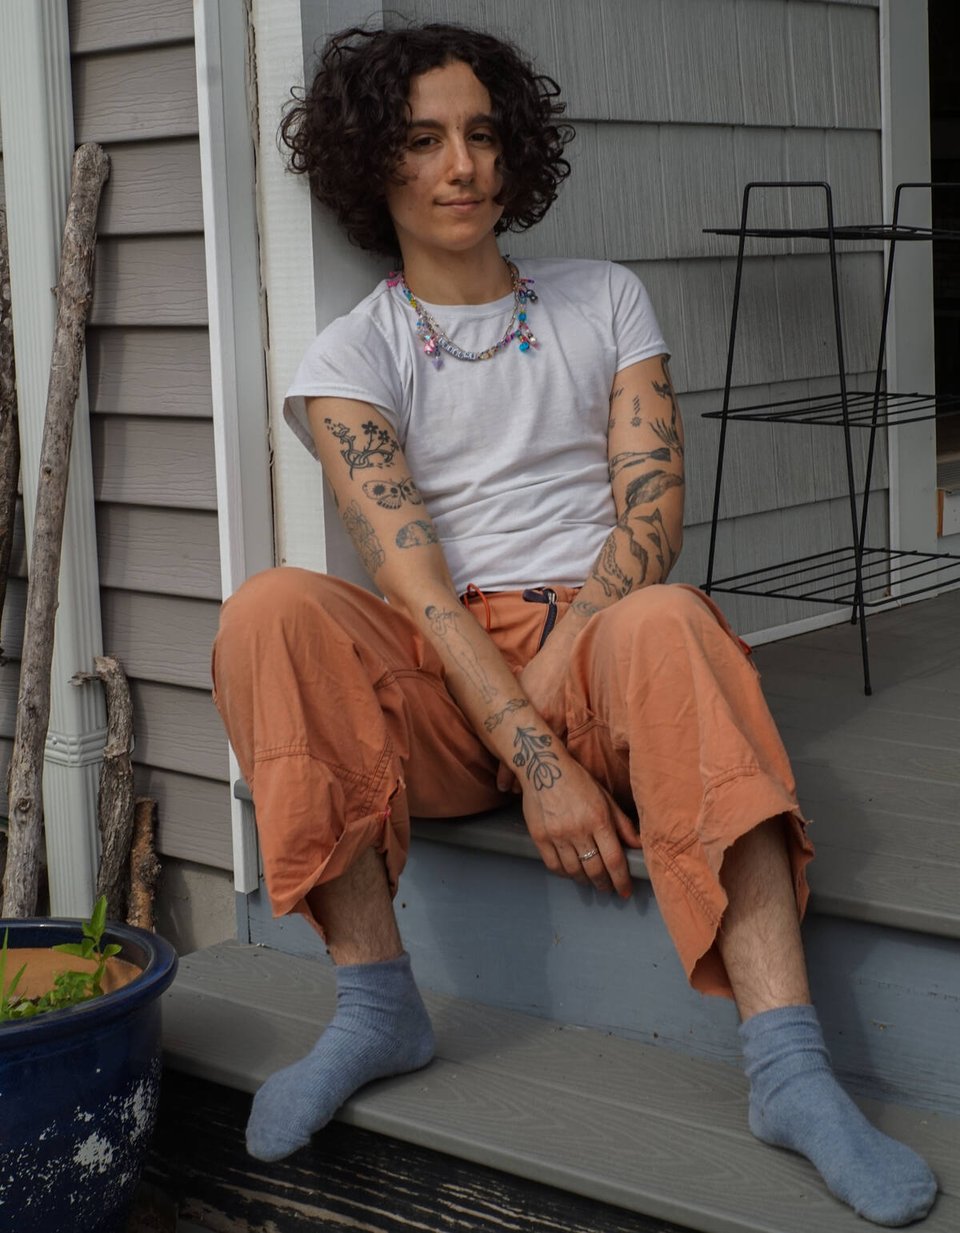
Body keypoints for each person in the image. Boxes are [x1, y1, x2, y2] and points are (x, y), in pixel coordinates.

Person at [211, 22, 937, 1226]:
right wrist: (530, 761)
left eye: (484, 135)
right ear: (370, 165)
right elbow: (416, 588)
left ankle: (788, 1068)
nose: (464, 168)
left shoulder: (606, 299)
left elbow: (652, 518)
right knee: (269, 611)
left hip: (596, 648)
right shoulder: (353, 352)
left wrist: (551, 697)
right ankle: (378, 1007)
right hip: (444, 678)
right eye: (425, 140)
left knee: (664, 615)